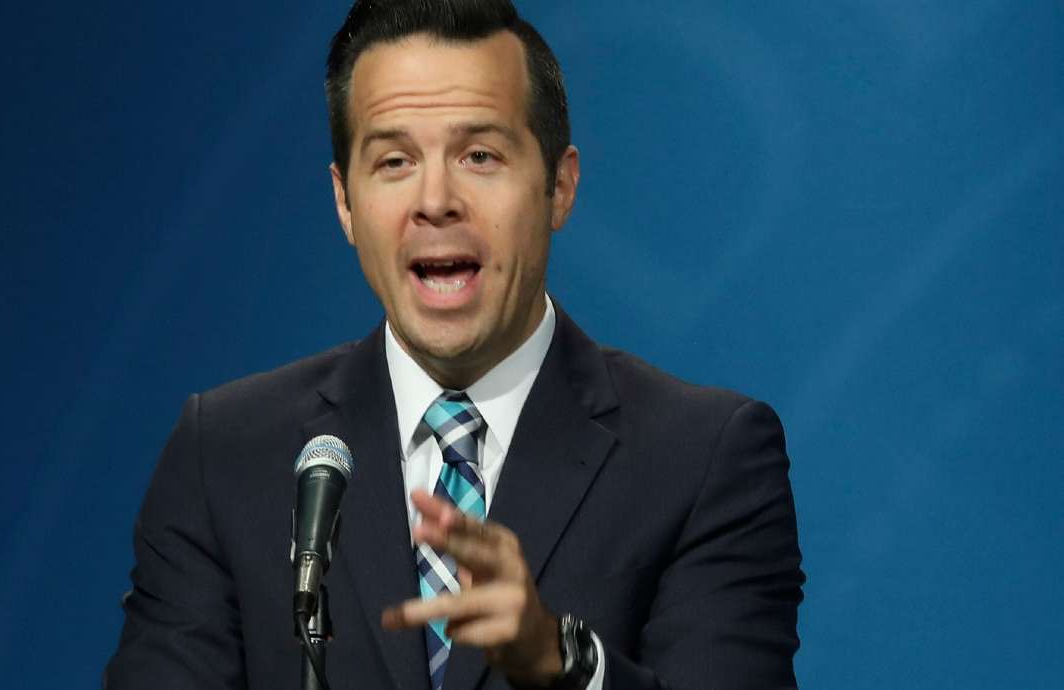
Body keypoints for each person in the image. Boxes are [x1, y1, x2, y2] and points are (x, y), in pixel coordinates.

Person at [104, 1, 805, 689]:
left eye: (479, 155)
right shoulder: (226, 455)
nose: (435, 199)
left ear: (559, 187)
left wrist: (565, 665)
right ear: (345, 203)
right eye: (394, 161)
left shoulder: (703, 459)